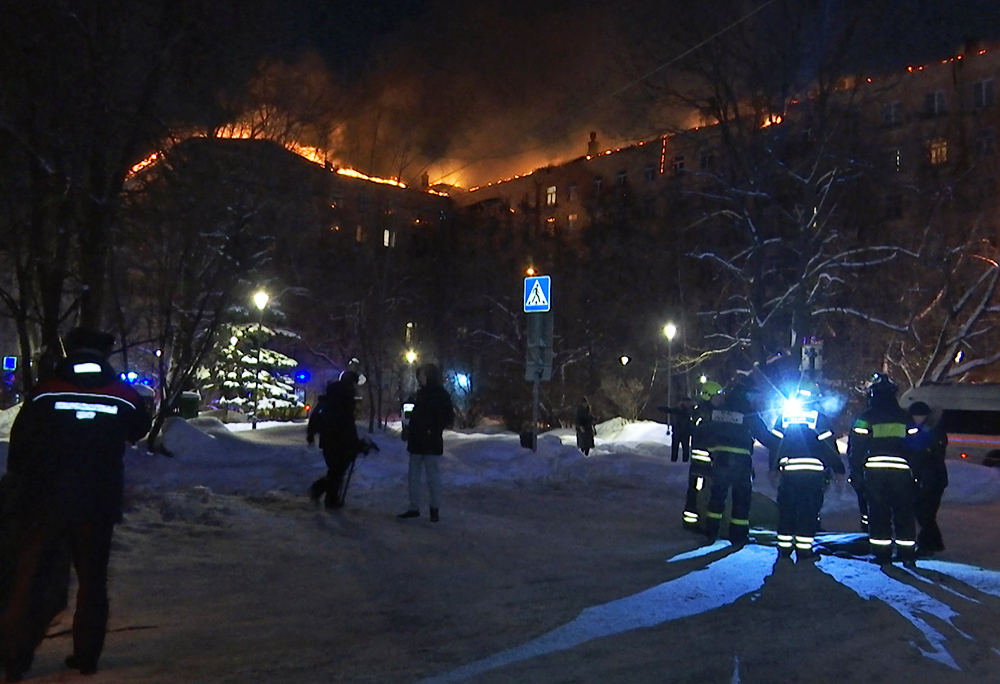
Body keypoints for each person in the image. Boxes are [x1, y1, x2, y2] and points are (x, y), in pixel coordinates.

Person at [1, 328, 151, 681]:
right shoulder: (124, 395)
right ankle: (87, 657)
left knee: (31, 577)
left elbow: (20, 447)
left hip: (45, 502)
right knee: (92, 582)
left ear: (70, 350)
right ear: (105, 352)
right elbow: (138, 430)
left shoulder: (45, 391)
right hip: (97, 503)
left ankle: (15, 658)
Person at [848, 373, 919, 565]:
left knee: (879, 514)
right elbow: (916, 448)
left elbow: (856, 448)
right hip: (902, 475)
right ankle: (907, 555)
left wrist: (855, 473)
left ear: (873, 394)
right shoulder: (905, 418)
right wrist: (917, 474)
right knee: (904, 513)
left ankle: (882, 554)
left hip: (875, 474)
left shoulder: (866, 417)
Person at [769, 385, 844, 562]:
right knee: (807, 511)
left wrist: (773, 468)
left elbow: (775, 445)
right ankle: (804, 551)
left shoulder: (784, 417)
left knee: (787, 509)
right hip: (813, 473)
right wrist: (838, 469)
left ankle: (784, 549)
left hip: (790, 472)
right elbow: (828, 446)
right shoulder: (818, 418)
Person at [700, 375, 775, 546]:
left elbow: (707, 431)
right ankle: (738, 535)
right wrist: (786, 444)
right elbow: (763, 435)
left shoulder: (721, 409)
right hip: (741, 460)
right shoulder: (747, 411)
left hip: (720, 459)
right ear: (747, 394)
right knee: (741, 498)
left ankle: (711, 532)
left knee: (717, 496)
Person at [398, 364, 454, 522]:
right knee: (413, 476)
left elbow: (447, 416)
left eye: (422, 375)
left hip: (430, 441)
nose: (420, 378)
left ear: (429, 375)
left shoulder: (440, 394)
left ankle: (434, 508)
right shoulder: (419, 394)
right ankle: (413, 507)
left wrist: (432, 428)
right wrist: (408, 426)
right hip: (417, 441)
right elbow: (411, 414)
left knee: (432, 476)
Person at [307, 361, 366, 510]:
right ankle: (324, 494)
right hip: (341, 441)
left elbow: (316, 416)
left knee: (335, 470)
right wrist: (356, 443)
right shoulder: (346, 398)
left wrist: (311, 434)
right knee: (337, 472)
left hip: (327, 440)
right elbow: (347, 424)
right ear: (351, 383)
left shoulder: (330, 396)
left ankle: (326, 496)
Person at [906, 401, 948, 555]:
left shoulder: (933, 431)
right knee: (924, 513)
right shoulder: (924, 429)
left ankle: (928, 545)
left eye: (920, 415)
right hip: (926, 477)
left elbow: (930, 455)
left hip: (932, 478)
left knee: (926, 513)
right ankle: (933, 543)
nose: (917, 418)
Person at [681, 382, 722, 534]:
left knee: (702, 491)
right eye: (718, 395)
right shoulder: (704, 413)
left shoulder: (706, 411)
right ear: (709, 396)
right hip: (701, 462)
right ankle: (691, 523)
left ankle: (696, 520)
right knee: (696, 492)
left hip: (705, 462)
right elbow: (706, 436)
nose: (721, 398)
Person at [660, 396, 695, 463]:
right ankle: (674, 460)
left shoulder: (692, 410)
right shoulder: (679, 409)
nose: (687, 404)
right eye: (686, 402)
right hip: (677, 430)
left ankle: (685, 461)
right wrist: (661, 408)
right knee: (675, 446)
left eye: (688, 402)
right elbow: (669, 410)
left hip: (686, 432)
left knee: (686, 447)